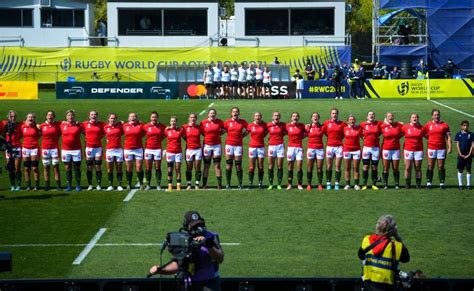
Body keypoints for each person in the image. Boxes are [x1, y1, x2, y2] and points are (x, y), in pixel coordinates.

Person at [149, 211, 224, 291]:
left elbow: (220, 258)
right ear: (186, 226)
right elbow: (179, 264)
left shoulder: (211, 236)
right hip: (190, 283)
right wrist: (160, 270)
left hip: (210, 283)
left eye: (200, 224)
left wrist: (209, 245)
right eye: (194, 226)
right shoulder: (183, 239)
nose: (199, 228)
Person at [358, 214, 410, 291]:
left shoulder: (367, 240)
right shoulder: (396, 246)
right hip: (387, 287)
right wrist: (397, 237)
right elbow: (406, 258)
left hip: (368, 285)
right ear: (392, 231)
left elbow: (360, 256)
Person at [423, 109, 451, 189]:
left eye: (438, 114)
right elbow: (422, 132)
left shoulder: (445, 125)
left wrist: (450, 147)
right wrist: (428, 138)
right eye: (435, 115)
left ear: (439, 115)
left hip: (441, 148)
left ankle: (442, 183)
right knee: (430, 165)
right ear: (432, 116)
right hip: (431, 148)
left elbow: (448, 137)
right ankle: (429, 182)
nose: (436, 116)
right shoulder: (428, 124)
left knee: (441, 166)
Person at [224, 107, 248, 189]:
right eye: (233, 111)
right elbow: (224, 130)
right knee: (229, 164)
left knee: (238, 165)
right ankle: (228, 183)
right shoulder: (227, 122)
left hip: (238, 146)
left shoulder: (243, 122)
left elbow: (248, 129)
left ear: (239, 113)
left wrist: (242, 136)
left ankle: (240, 183)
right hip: (229, 145)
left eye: (237, 111)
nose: (235, 113)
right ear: (231, 113)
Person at [60, 109, 84, 192]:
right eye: (69, 115)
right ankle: (69, 185)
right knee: (67, 167)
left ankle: (78, 185)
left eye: (72, 115)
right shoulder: (62, 125)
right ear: (66, 117)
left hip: (76, 150)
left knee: (77, 167)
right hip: (65, 150)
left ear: (74, 117)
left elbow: (86, 132)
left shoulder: (79, 125)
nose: (71, 117)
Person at [201, 109, 224, 189]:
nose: (212, 114)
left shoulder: (220, 122)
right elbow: (200, 131)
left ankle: (219, 184)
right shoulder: (203, 122)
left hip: (217, 146)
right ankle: (204, 185)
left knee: (217, 165)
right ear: (208, 115)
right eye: (211, 113)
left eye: (214, 113)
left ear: (215, 114)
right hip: (207, 146)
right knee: (206, 165)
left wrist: (219, 134)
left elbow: (225, 129)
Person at [322, 108, 346, 190]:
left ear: (337, 114)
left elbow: (344, 133)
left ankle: (337, 183)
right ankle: (328, 182)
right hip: (330, 146)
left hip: (339, 147)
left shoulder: (342, 124)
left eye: (335, 113)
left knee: (338, 166)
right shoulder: (326, 123)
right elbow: (324, 132)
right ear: (330, 114)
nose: (334, 115)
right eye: (333, 113)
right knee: (329, 166)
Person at [401, 113, 426, 189]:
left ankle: (418, 184)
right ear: (410, 119)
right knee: (408, 167)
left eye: (416, 117)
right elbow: (398, 133)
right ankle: (407, 184)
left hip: (418, 150)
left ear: (418, 119)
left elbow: (428, 136)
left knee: (418, 167)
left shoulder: (422, 128)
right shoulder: (405, 127)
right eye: (413, 117)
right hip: (408, 150)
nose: (415, 118)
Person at [143, 111, 166, 190]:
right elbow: (140, 133)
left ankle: (158, 184)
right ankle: (148, 185)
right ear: (150, 118)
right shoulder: (146, 126)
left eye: (155, 117)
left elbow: (165, 134)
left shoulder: (162, 126)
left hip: (157, 149)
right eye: (152, 117)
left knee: (157, 167)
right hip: (148, 149)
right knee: (148, 167)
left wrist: (159, 140)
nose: (154, 118)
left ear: (157, 117)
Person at [83, 111, 105, 191]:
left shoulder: (101, 124)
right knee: (89, 166)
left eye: (95, 114)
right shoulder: (85, 124)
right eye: (92, 114)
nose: (93, 116)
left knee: (98, 166)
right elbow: (80, 129)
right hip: (89, 148)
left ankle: (98, 184)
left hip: (98, 148)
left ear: (97, 116)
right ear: (89, 116)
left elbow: (107, 129)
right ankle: (90, 185)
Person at [39, 111, 62, 191]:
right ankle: (47, 185)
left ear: (54, 117)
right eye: (48, 115)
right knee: (46, 167)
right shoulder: (42, 126)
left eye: (51, 115)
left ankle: (58, 186)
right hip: (45, 149)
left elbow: (60, 132)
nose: (50, 116)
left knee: (56, 167)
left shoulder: (58, 124)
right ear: (46, 117)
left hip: (54, 149)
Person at [381, 112, 403, 189]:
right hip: (386, 149)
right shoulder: (382, 126)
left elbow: (404, 130)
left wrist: (398, 137)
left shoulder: (398, 125)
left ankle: (396, 183)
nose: (390, 117)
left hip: (396, 149)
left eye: (391, 116)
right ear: (386, 118)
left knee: (396, 168)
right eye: (388, 116)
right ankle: (385, 183)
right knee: (386, 168)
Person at [123, 112, 145, 190]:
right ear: (128, 118)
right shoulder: (124, 126)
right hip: (128, 149)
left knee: (139, 167)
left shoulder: (141, 125)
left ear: (137, 118)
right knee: (129, 167)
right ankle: (129, 183)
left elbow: (145, 132)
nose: (133, 118)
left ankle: (141, 184)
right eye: (131, 116)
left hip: (138, 149)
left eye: (135, 116)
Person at [361, 112, 382, 190]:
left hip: (376, 148)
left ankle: (374, 184)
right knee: (365, 166)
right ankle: (364, 184)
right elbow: (359, 132)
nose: (371, 116)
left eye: (373, 114)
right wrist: (363, 138)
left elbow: (386, 125)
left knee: (374, 167)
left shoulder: (378, 123)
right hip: (366, 148)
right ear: (367, 116)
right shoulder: (363, 124)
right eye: (369, 114)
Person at [2, 110, 22, 191]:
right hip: (8, 148)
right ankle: (12, 185)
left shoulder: (19, 124)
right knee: (10, 167)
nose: (13, 118)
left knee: (17, 167)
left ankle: (19, 185)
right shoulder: (4, 124)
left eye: (14, 116)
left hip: (17, 148)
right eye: (11, 116)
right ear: (8, 117)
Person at [104, 113, 124, 191]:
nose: (113, 119)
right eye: (111, 118)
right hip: (109, 150)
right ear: (108, 119)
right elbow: (101, 134)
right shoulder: (105, 127)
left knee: (119, 168)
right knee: (110, 168)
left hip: (118, 150)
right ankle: (111, 185)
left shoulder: (120, 126)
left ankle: (119, 185)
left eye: (114, 118)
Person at [247, 112, 268, 188]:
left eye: (259, 115)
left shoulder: (264, 125)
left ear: (261, 117)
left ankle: (260, 183)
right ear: (254, 117)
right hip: (252, 147)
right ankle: (250, 183)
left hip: (261, 147)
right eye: (256, 116)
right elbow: (246, 133)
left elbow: (266, 132)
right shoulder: (250, 125)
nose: (258, 117)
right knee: (251, 167)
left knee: (261, 166)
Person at [266, 112, 286, 190]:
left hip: (280, 146)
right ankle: (271, 184)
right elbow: (263, 132)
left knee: (280, 166)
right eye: (275, 115)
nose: (276, 117)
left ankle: (279, 184)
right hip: (271, 146)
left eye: (278, 115)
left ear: (280, 117)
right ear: (272, 117)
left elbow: (287, 132)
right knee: (271, 165)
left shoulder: (283, 125)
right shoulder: (268, 125)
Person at [286, 112, 306, 190]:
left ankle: (299, 184)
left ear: (298, 118)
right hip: (291, 148)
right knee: (290, 167)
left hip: (299, 148)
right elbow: (283, 132)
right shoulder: (287, 126)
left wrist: (301, 138)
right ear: (291, 118)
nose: (295, 117)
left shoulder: (302, 125)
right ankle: (289, 184)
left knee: (299, 166)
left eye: (297, 116)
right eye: (294, 116)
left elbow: (306, 133)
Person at [183, 113, 203, 190]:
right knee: (189, 167)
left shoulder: (199, 127)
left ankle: (197, 184)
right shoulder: (184, 127)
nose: (193, 119)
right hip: (189, 150)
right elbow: (182, 135)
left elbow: (206, 134)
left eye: (194, 117)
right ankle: (189, 184)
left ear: (196, 119)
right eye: (191, 117)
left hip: (198, 149)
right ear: (189, 118)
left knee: (197, 167)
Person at [21, 113, 41, 191]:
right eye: (29, 117)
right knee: (26, 168)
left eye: (32, 117)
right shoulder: (23, 126)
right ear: (26, 118)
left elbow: (41, 134)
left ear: (34, 119)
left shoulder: (37, 127)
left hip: (34, 149)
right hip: (25, 149)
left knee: (35, 168)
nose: (31, 118)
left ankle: (36, 185)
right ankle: (28, 185)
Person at [165, 116, 185, 191]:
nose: (173, 122)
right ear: (170, 122)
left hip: (178, 152)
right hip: (170, 152)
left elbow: (185, 137)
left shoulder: (180, 130)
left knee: (178, 169)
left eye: (174, 121)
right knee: (170, 169)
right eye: (172, 121)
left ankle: (178, 185)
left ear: (176, 122)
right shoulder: (167, 130)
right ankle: (170, 185)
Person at [343, 115, 363, 190]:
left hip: (356, 150)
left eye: (353, 119)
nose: (352, 121)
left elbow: (364, 136)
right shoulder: (344, 128)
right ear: (348, 121)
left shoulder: (359, 128)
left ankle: (356, 184)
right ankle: (347, 184)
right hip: (347, 150)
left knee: (356, 168)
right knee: (347, 168)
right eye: (350, 119)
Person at [305, 112, 324, 191]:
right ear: (311, 118)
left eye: (316, 116)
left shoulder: (322, 127)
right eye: (313, 116)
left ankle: (320, 184)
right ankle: (309, 184)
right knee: (310, 167)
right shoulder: (308, 127)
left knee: (319, 167)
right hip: (311, 149)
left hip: (320, 149)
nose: (315, 117)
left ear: (318, 118)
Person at [455, 120, 472, 190]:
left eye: (467, 125)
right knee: (460, 169)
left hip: (468, 155)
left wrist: (469, 154)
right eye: (464, 125)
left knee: (468, 169)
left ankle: (468, 185)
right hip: (461, 155)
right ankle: (460, 185)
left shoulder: (471, 134)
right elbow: (457, 145)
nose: (466, 127)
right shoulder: (458, 134)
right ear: (461, 126)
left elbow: (472, 145)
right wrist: (460, 154)